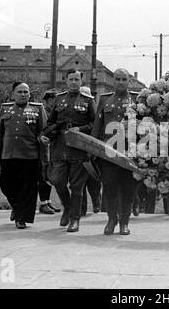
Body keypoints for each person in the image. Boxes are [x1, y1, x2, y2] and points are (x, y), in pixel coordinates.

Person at [40, 69, 95, 232]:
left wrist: (81, 129)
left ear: (81, 82)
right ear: (66, 81)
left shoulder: (88, 101)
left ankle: (74, 219)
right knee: (57, 180)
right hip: (60, 147)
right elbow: (51, 122)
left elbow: (94, 125)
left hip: (79, 148)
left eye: (77, 79)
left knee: (77, 186)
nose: (73, 82)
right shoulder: (59, 99)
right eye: (71, 79)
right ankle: (67, 207)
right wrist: (45, 135)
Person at [0, 82, 47, 229]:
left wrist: (45, 158)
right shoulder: (5, 109)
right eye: (20, 92)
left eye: (26, 92)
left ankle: (22, 217)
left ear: (30, 94)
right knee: (6, 186)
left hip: (30, 156)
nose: (23, 94)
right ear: (13, 94)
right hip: (9, 155)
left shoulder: (37, 109)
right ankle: (17, 208)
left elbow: (44, 133)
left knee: (28, 189)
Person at [91, 68, 138, 235]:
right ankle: (111, 220)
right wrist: (94, 149)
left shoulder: (136, 100)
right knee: (109, 187)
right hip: (108, 153)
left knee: (128, 187)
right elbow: (97, 126)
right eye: (117, 79)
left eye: (123, 79)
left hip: (129, 153)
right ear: (113, 81)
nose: (120, 82)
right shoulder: (104, 100)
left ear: (129, 81)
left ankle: (124, 222)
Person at [78, 86, 102, 216]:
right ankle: (82, 207)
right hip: (77, 150)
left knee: (93, 179)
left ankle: (97, 202)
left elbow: (96, 126)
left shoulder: (94, 111)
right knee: (79, 181)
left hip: (91, 148)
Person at [37, 89, 60, 215]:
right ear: (46, 101)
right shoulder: (42, 112)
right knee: (43, 176)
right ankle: (43, 203)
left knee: (49, 175)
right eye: (52, 100)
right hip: (42, 149)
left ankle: (48, 200)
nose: (54, 103)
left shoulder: (55, 113)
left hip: (52, 149)